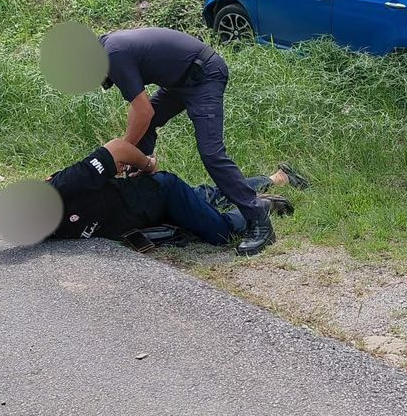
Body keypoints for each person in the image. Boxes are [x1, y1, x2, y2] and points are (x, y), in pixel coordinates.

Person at [98, 27, 278, 249]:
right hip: (180, 81)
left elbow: (143, 111)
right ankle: (140, 178)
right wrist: (136, 155)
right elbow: (140, 110)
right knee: (147, 126)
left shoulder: (112, 55)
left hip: (204, 76)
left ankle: (257, 217)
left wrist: (124, 150)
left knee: (211, 152)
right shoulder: (110, 47)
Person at [0, 137, 305, 256]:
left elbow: (117, 148)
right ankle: (277, 178)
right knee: (207, 196)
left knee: (220, 233)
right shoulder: (45, 231)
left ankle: (260, 207)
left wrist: (147, 164)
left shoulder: (64, 186)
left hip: (161, 195)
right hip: (149, 211)